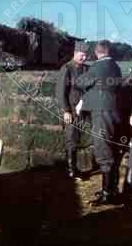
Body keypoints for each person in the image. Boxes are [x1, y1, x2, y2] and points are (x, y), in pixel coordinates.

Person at [75, 40, 123, 205]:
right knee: (113, 150)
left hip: (102, 113)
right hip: (115, 111)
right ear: (109, 51)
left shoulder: (97, 67)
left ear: (97, 52)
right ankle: (112, 189)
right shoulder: (116, 67)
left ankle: (107, 194)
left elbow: (80, 82)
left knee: (103, 151)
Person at [55, 42, 90, 180]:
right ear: (75, 53)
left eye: (86, 55)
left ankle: (76, 168)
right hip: (71, 110)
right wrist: (66, 111)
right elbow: (60, 92)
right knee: (71, 140)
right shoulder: (67, 69)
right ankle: (71, 171)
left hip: (83, 110)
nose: (84, 58)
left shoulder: (87, 69)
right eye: (82, 55)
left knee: (80, 139)